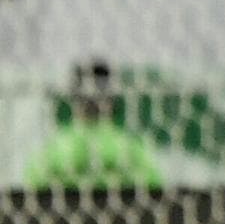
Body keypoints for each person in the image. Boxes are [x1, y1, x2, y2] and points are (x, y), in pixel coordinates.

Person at [23, 63, 163, 191]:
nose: (92, 100)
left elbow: (32, 184)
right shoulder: (129, 146)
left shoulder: (56, 148)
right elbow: (154, 186)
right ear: (112, 100)